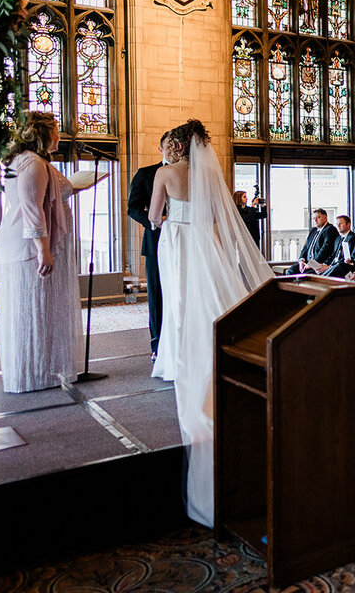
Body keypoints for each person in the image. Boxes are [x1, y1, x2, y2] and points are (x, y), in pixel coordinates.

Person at [148, 119, 273, 526]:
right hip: (203, 239)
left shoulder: (164, 174)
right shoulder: (206, 176)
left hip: (176, 239)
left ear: (178, 148)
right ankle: (213, 343)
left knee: (178, 299)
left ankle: (177, 357)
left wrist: (164, 222)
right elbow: (220, 219)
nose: (166, 150)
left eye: (169, 145)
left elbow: (154, 216)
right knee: (203, 296)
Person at [0, 111, 86, 393]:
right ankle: (33, 373)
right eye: (56, 130)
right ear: (42, 134)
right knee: (34, 306)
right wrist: (43, 250)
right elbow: (32, 209)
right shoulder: (33, 163)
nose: (59, 136)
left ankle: (42, 368)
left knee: (41, 307)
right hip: (30, 246)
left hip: (30, 242)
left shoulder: (28, 161)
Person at [127, 130, 173, 357]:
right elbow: (132, 208)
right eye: (168, 145)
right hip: (155, 241)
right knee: (156, 295)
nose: (173, 149)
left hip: (183, 242)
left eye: (176, 145)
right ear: (160, 149)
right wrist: (155, 221)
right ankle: (157, 346)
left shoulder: (190, 173)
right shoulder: (146, 174)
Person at [295, 209, 338, 274]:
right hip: (307, 262)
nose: (315, 220)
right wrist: (301, 260)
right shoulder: (313, 230)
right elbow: (306, 247)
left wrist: (311, 264)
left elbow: (325, 250)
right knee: (291, 271)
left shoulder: (330, 229)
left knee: (305, 275)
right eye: (313, 218)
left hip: (319, 264)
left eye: (318, 217)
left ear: (325, 217)